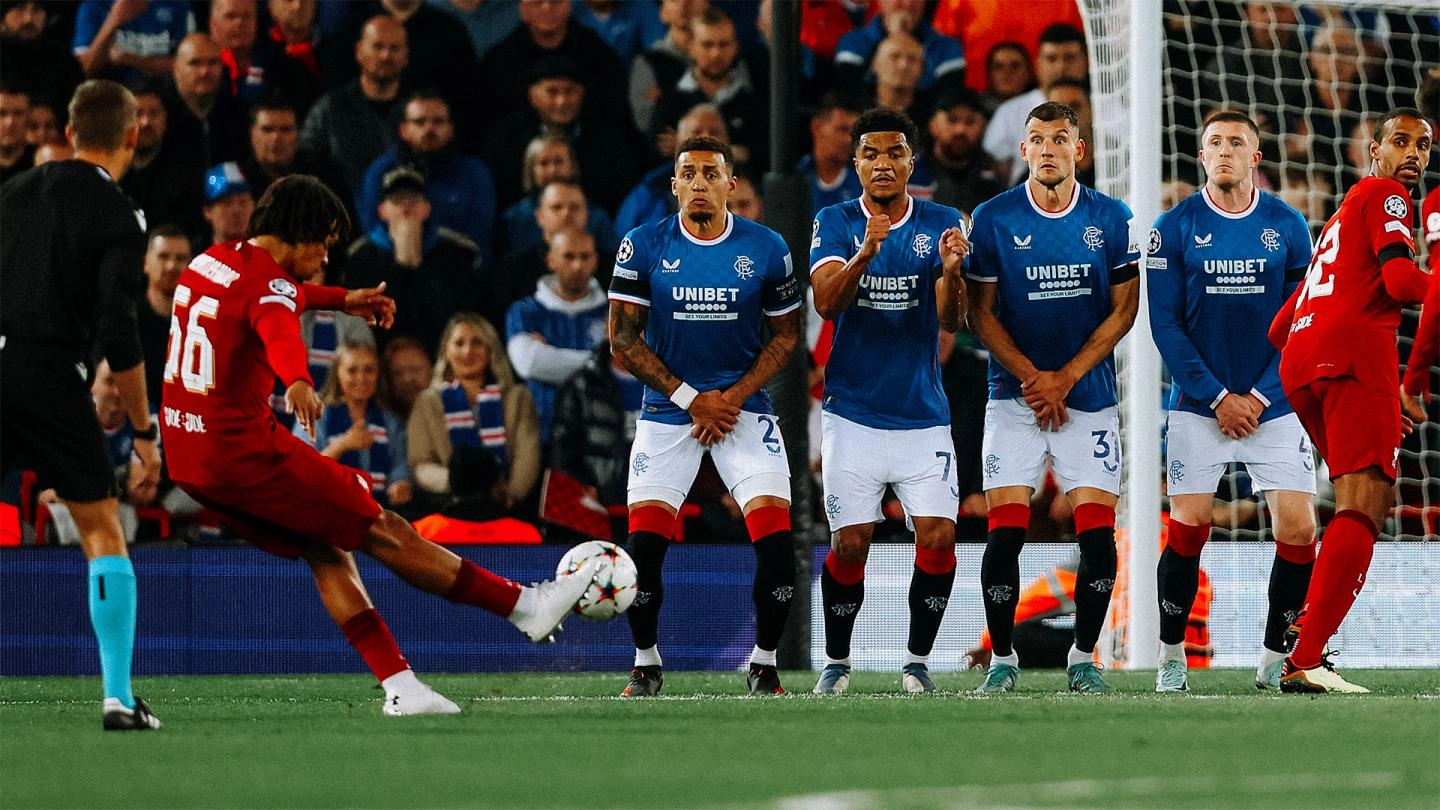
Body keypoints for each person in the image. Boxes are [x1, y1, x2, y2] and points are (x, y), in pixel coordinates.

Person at [159, 175, 596, 715]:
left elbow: (274, 294)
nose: (323, 258)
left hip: (188, 455)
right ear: (301, 233)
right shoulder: (271, 290)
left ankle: (402, 687)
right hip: (244, 453)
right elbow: (275, 322)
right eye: (322, 243)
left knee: (326, 543)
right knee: (382, 527)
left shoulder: (212, 261)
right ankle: (524, 605)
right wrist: (296, 379)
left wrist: (343, 300)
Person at [608, 135, 801, 696]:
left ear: (730, 184)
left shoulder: (766, 247)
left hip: (745, 410)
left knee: (776, 544)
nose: (698, 183)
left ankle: (764, 662)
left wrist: (733, 397)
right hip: (669, 414)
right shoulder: (642, 244)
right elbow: (622, 338)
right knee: (644, 549)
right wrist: (693, 398)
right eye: (687, 173)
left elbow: (787, 335)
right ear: (674, 185)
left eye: (709, 173)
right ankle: (646, 663)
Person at [0, 80, 164, 730]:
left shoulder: (9, 194)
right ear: (131, 136)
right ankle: (119, 697)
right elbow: (119, 329)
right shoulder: (119, 214)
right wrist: (145, 434)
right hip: (47, 370)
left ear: (68, 132)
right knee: (101, 530)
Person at [966, 101, 1140, 694]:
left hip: (1086, 398)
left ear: (1078, 151)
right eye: (1036, 139)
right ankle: (1003, 659)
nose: (1047, 148)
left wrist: (1063, 378)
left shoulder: (1112, 218)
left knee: (1097, 535)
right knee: (1005, 533)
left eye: (1059, 138)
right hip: (1012, 400)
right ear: (1023, 151)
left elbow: (1125, 310)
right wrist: (1033, 380)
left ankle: (1083, 656)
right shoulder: (991, 219)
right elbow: (979, 315)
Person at [1147, 111, 1319, 692]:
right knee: (1188, 526)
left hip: (1273, 402)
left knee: (1299, 529)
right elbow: (1165, 326)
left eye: (1236, 143)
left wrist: (1260, 396)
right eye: (1214, 142)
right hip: (1199, 405)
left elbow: (1303, 320)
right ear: (1201, 156)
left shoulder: (1290, 226)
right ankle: (1172, 654)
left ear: (1256, 158)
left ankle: (1275, 658)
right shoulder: (1172, 227)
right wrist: (1220, 395)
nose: (1224, 151)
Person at [1267, 108, 1434, 694]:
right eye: (1400, 141)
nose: (1412, 154)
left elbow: (1278, 328)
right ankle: (1306, 656)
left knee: (1357, 495)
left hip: (1302, 364)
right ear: (1375, 150)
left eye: (1424, 145)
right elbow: (1398, 283)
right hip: (1351, 355)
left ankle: (1307, 644)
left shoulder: (1340, 216)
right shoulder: (1387, 196)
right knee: (1364, 504)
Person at [808, 107, 970, 695]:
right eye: (871, 154)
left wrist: (952, 272)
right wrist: (865, 255)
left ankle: (916, 661)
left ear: (911, 162)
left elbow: (954, 318)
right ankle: (837, 661)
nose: (883, 164)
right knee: (851, 543)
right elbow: (826, 303)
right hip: (852, 413)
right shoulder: (835, 221)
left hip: (922, 415)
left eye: (894, 153)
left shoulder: (941, 221)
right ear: (855, 164)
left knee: (938, 536)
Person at [407, 313, 542, 515]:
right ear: (447, 351)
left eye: (477, 342)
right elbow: (421, 465)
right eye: (459, 343)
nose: (468, 351)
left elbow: (527, 457)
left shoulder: (518, 397)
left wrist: (510, 495)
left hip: (506, 508)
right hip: (447, 509)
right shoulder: (427, 402)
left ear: (490, 349)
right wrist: (463, 483)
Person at [344, 166, 484, 354]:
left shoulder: (458, 252)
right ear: (382, 211)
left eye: (413, 199)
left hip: (443, 354)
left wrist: (419, 268)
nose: (406, 207)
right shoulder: (361, 257)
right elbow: (366, 321)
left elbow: (459, 315)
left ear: (427, 209)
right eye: (397, 200)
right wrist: (401, 267)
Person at [355, 90, 498, 266]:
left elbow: (480, 234)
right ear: (404, 130)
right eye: (420, 122)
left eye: (438, 122)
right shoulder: (381, 171)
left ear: (450, 129)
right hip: (390, 271)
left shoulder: (474, 173)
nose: (429, 129)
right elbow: (372, 230)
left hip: (455, 272)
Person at [505, 227, 609, 445]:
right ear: (551, 260)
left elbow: (626, 369)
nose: (578, 265)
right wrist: (600, 360)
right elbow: (528, 363)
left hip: (601, 435)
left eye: (584, 257)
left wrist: (550, 356)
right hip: (541, 435)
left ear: (595, 260)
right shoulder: (525, 311)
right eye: (569, 257)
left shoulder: (614, 312)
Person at [302, 342, 413, 511]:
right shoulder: (315, 415)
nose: (361, 378)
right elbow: (302, 471)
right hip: (325, 510)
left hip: (380, 512)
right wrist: (342, 445)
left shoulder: (391, 421)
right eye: (352, 370)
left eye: (369, 370)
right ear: (338, 374)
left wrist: (400, 484)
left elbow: (399, 465)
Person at [982, 23, 1087, 186]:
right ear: (1037, 64)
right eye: (1052, 59)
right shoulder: (1009, 112)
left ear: (1086, 62)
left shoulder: (1110, 110)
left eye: (1070, 58)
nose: (1061, 67)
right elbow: (995, 176)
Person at [202, 161, 256, 247]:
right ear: (208, 211)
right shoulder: (196, 258)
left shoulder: (269, 255)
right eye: (227, 203)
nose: (236, 210)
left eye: (243, 202)